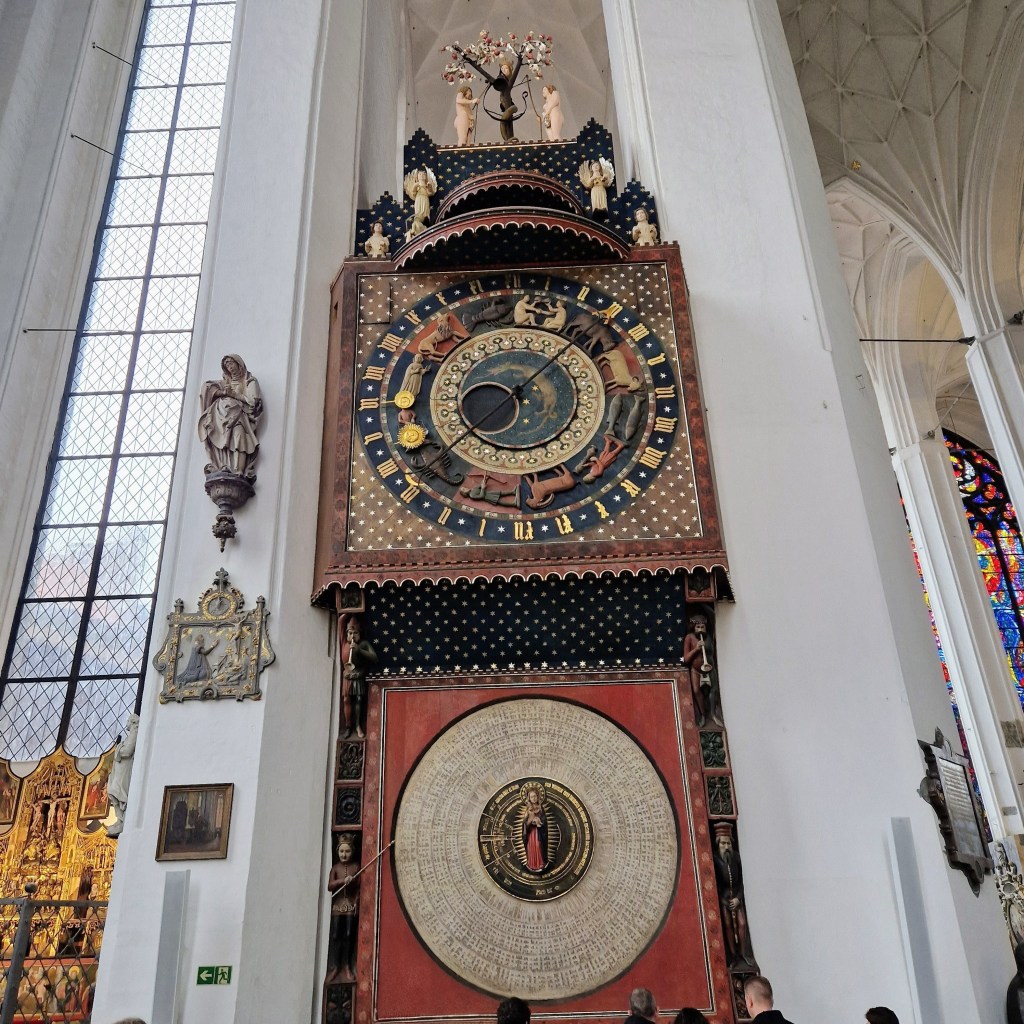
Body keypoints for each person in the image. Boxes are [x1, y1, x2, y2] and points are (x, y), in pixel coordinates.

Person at [197, 354, 263, 477]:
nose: (229, 366)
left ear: (239, 364)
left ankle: (239, 470)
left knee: (239, 438)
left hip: (239, 417)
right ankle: (224, 466)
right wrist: (223, 392)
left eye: (231, 363)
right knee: (223, 440)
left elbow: (253, 401)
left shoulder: (249, 381)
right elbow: (207, 388)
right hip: (222, 417)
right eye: (226, 364)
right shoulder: (225, 382)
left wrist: (235, 395)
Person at [521, 785, 548, 871]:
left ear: (538, 796)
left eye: (535, 796)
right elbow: (524, 823)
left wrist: (539, 822)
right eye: (532, 797)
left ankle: (540, 863)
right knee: (531, 847)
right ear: (529, 798)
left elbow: (544, 821)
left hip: (539, 832)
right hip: (531, 833)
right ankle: (532, 864)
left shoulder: (541, 808)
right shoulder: (528, 809)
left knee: (538, 845)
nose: (534, 798)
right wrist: (530, 820)